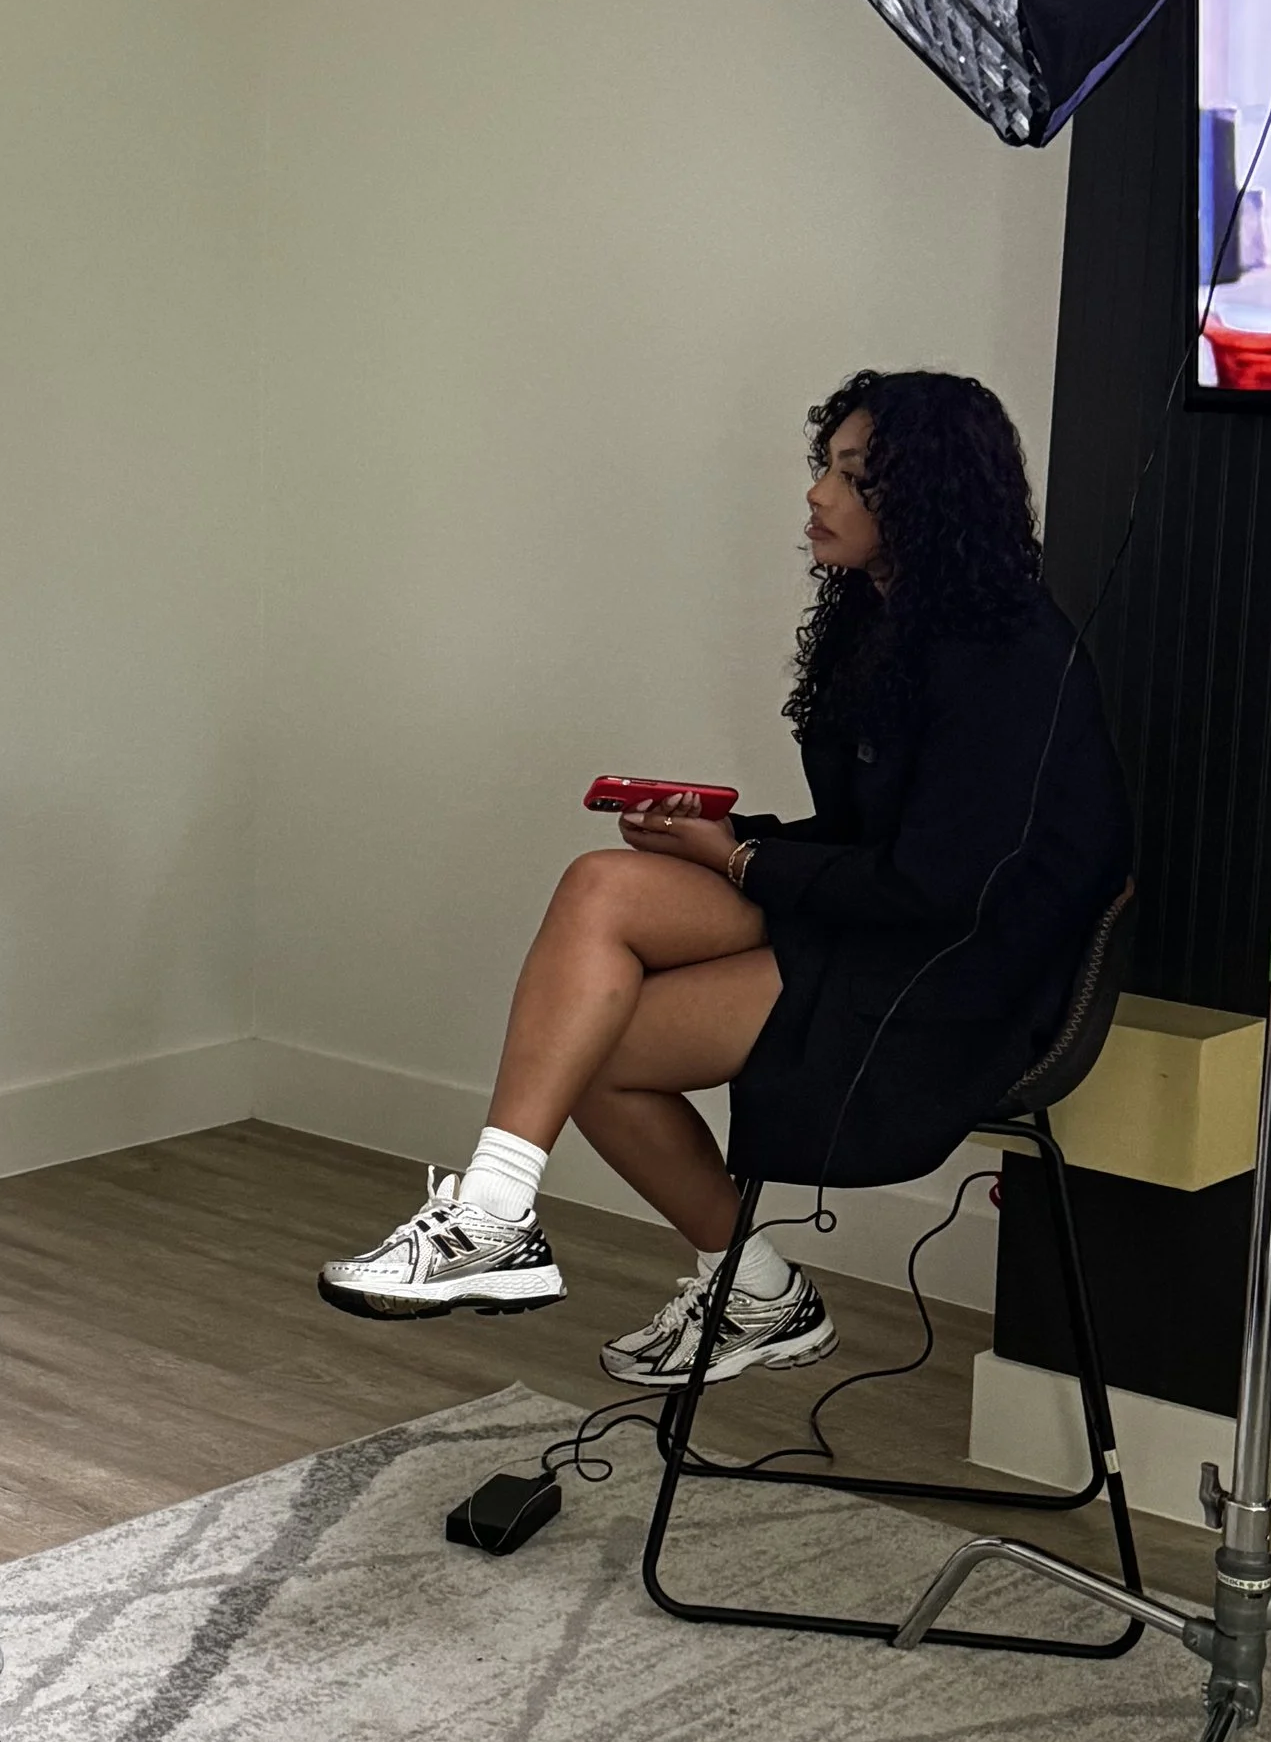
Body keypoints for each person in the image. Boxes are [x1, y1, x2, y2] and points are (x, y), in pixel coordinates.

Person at [318, 371, 1134, 1389]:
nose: (816, 497)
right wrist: (722, 833)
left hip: (958, 974)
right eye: (823, 469)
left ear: (925, 496)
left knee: (592, 1047)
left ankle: (742, 1286)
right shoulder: (883, 624)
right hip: (884, 917)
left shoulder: (1007, 652)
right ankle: (499, 1210)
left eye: (850, 476)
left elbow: (941, 887)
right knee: (601, 883)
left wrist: (741, 859)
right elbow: (861, 832)